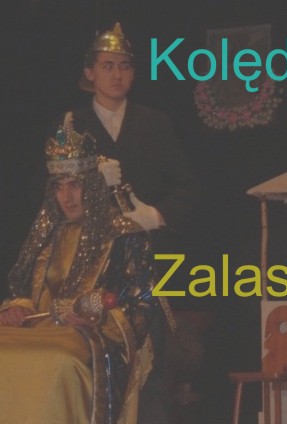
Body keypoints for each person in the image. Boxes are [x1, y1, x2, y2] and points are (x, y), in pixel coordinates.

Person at [47, 22, 201, 423]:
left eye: (125, 66)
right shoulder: (72, 125)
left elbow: (188, 187)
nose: (117, 74)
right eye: (108, 65)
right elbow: (49, 197)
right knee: (89, 367)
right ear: (89, 72)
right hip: (88, 268)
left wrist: (155, 215)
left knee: (149, 369)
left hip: (146, 265)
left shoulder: (155, 122)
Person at [0, 115, 159, 423]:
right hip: (37, 331)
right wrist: (18, 307)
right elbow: (22, 290)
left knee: (61, 359)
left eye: (75, 185)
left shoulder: (124, 235)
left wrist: (97, 318)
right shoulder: (46, 234)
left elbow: (141, 307)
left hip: (90, 337)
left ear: (93, 187)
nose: (67, 197)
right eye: (59, 187)